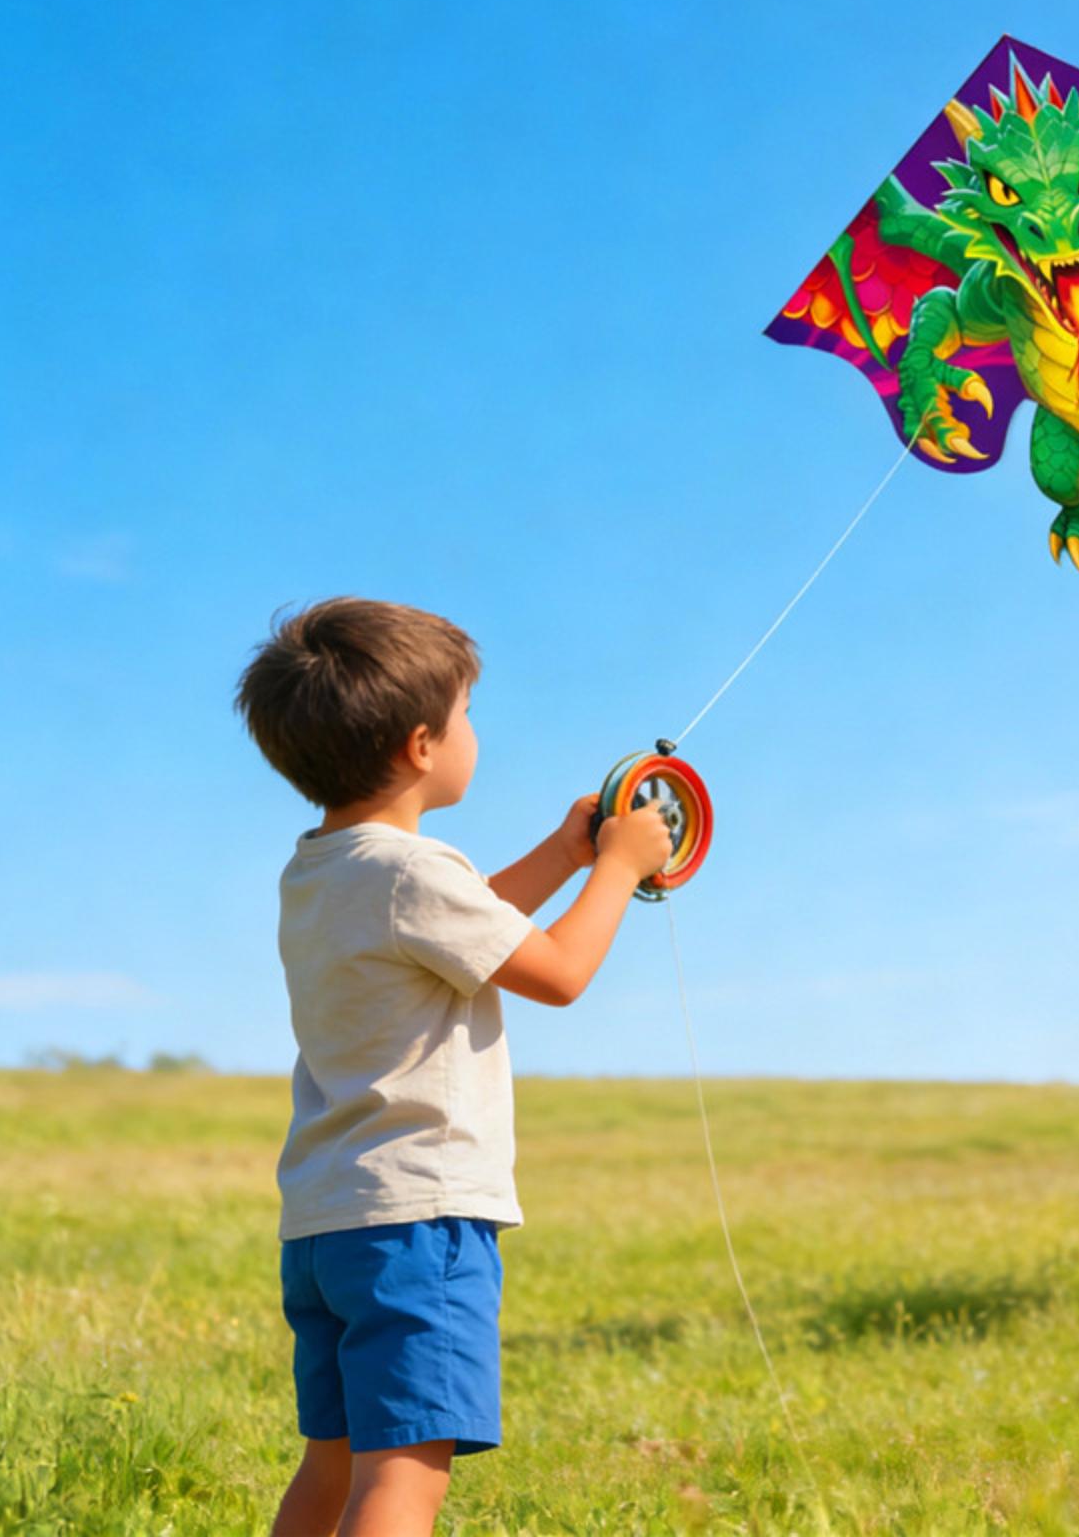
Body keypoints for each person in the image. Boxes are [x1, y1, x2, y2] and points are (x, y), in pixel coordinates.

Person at [234, 596, 671, 1537]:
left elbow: (462, 931)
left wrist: (566, 854)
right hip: (418, 1220)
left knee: (333, 1464)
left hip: (327, 1226)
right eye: (467, 713)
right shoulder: (411, 873)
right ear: (422, 745)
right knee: (404, 1479)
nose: (475, 731)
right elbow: (555, 972)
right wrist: (620, 868)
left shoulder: (324, 869)